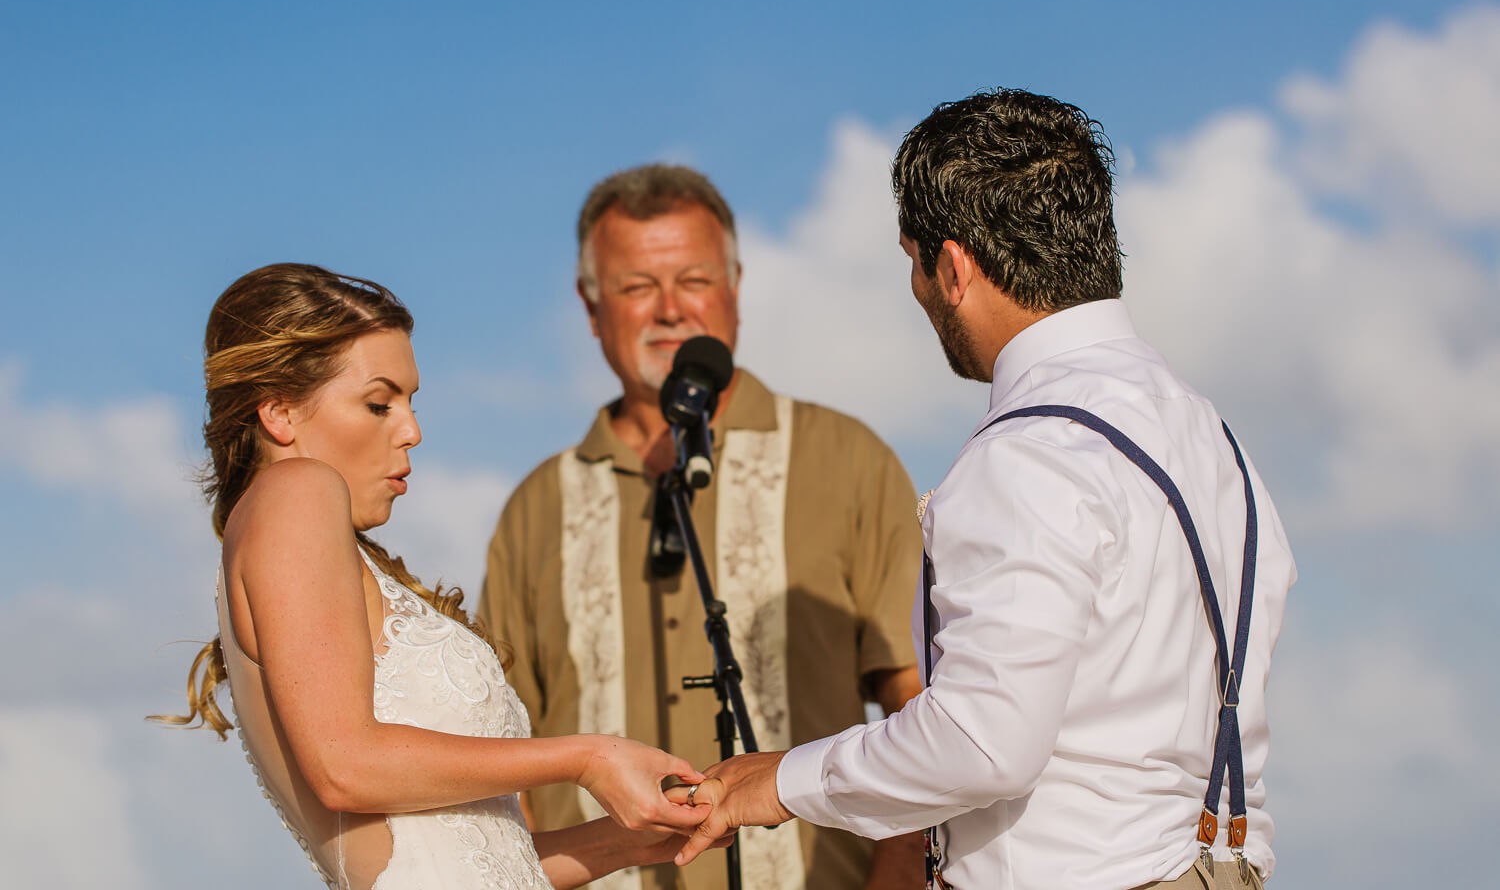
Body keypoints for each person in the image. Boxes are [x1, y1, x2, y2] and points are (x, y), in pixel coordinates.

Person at [674, 89, 1298, 890]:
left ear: (953, 266)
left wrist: (783, 782)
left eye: (913, 262)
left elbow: (983, 742)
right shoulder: (1217, 442)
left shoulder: (1027, 454)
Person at [154, 263, 721, 890]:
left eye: (410, 402)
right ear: (280, 413)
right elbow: (345, 764)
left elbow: (464, 862)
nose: (412, 431)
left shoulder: (310, 538)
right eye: (378, 403)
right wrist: (588, 757)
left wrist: (628, 839)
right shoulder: (295, 491)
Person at [480, 165, 926, 890]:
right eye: (635, 287)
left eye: (693, 280)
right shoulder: (535, 509)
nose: (669, 310)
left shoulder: (846, 459)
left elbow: (916, 705)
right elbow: (502, 756)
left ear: (736, 288)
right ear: (590, 308)